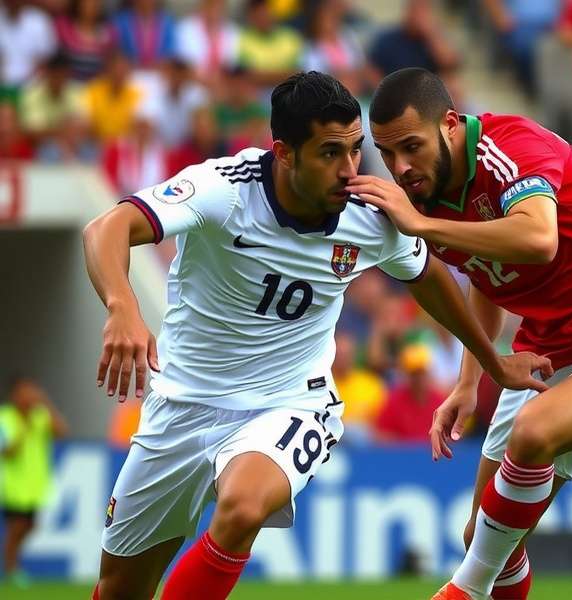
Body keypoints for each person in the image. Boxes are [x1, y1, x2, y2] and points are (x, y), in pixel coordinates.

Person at [82, 71, 547, 600]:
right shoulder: (223, 191)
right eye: (330, 154)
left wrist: (491, 360)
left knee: (243, 507)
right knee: (118, 588)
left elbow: (429, 279)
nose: (349, 170)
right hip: (181, 405)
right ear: (284, 152)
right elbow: (106, 228)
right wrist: (122, 304)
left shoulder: (370, 216)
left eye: (354, 150)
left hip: (289, 404)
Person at [349, 68, 572, 600]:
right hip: (555, 342)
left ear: (450, 125)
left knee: (532, 434)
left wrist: (421, 227)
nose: (402, 168)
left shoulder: (509, 148)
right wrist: (467, 382)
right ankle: (478, 583)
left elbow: (537, 237)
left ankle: (461, 592)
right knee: (485, 538)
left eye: (412, 146)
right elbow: (488, 274)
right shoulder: (426, 195)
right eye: (389, 153)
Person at [0, 376, 68, 588]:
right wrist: (24, 426)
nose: (29, 397)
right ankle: (12, 569)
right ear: (14, 395)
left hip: (35, 485)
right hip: (13, 486)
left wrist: (46, 404)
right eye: (24, 392)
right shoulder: (5, 418)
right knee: (17, 527)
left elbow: (61, 432)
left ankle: (12, 566)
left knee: (30, 525)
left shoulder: (40, 416)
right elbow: (8, 451)